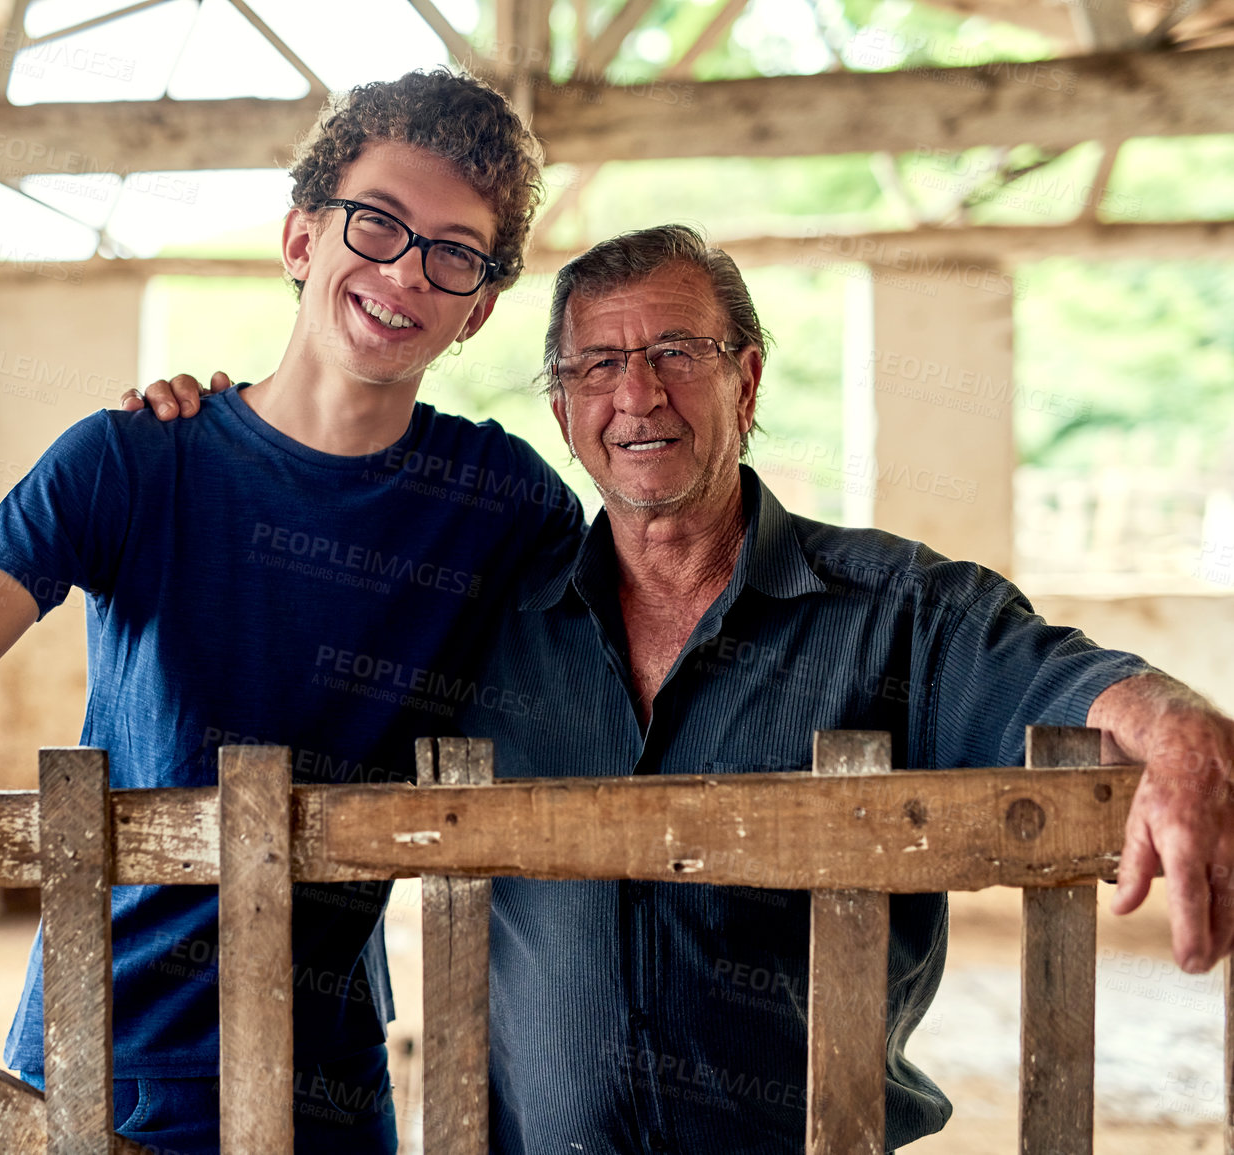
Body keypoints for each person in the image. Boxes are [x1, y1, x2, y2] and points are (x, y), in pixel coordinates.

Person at [138, 224, 1234, 1152]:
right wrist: (213, 438)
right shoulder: (483, 612)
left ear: (746, 379)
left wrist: (1174, 724)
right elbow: (300, 610)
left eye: (676, 351)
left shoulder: (892, 606)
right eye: (597, 367)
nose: (638, 394)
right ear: (563, 412)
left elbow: (1062, 672)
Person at [0, 69, 581, 1154]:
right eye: (377, 223)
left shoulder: (508, 505)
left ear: (479, 306)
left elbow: (605, 700)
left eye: (453, 252)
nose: (404, 271)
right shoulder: (131, 459)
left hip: (333, 1075)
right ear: (301, 238)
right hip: (104, 1048)